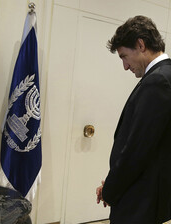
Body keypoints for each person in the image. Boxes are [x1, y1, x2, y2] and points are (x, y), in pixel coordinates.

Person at [96, 15, 171, 224]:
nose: (125, 66)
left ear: (140, 44)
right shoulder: (163, 75)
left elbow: (136, 151)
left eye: (124, 56)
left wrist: (110, 189)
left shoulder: (157, 81)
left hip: (139, 199)